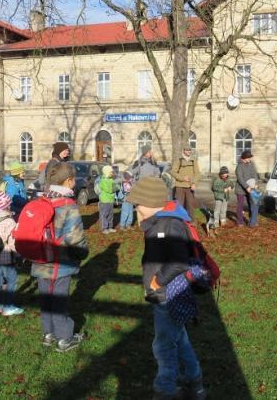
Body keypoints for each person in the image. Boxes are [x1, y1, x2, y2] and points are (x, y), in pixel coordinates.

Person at [126, 177, 206, 400]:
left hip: (168, 295)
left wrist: (156, 282)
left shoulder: (169, 225)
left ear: (151, 203)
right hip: (165, 294)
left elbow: (179, 261)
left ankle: (165, 390)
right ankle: (195, 384)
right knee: (179, 340)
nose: (136, 208)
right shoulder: (159, 223)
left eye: (137, 204)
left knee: (163, 346)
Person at [32, 162, 88, 352]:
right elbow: (76, 237)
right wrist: (81, 254)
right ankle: (65, 338)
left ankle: (48, 333)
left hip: (40, 259)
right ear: (69, 181)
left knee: (46, 298)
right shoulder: (68, 206)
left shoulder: (42, 200)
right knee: (59, 300)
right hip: (60, 263)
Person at [171, 146, 200, 220]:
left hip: (190, 187)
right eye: (187, 150)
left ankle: (192, 222)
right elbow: (173, 172)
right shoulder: (179, 160)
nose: (188, 152)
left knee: (190, 205)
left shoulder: (194, 161)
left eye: (190, 150)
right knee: (180, 205)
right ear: (183, 150)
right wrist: (182, 178)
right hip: (179, 187)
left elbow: (198, 174)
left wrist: (194, 183)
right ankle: (179, 221)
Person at [235, 150, 259, 227]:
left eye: (250, 158)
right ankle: (240, 221)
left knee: (252, 204)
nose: (250, 159)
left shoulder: (251, 165)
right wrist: (246, 187)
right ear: (244, 158)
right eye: (249, 158)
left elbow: (255, 174)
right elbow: (240, 178)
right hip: (241, 189)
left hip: (251, 188)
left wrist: (255, 183)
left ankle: (253, 220)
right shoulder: (239, 166)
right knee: (240, 205)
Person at [98, 165, 119, 234]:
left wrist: (115, 187)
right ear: (107, 172)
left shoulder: (111, 180)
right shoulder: (103, 180)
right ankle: (104, 228)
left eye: (112, 172)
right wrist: (114, 188)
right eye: (111, 172)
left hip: (110, 200)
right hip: (104, 200)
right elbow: (109, 190)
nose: (112, 173)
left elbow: (117, 187)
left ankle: (110, 227)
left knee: (110, 214)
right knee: (104, 214)